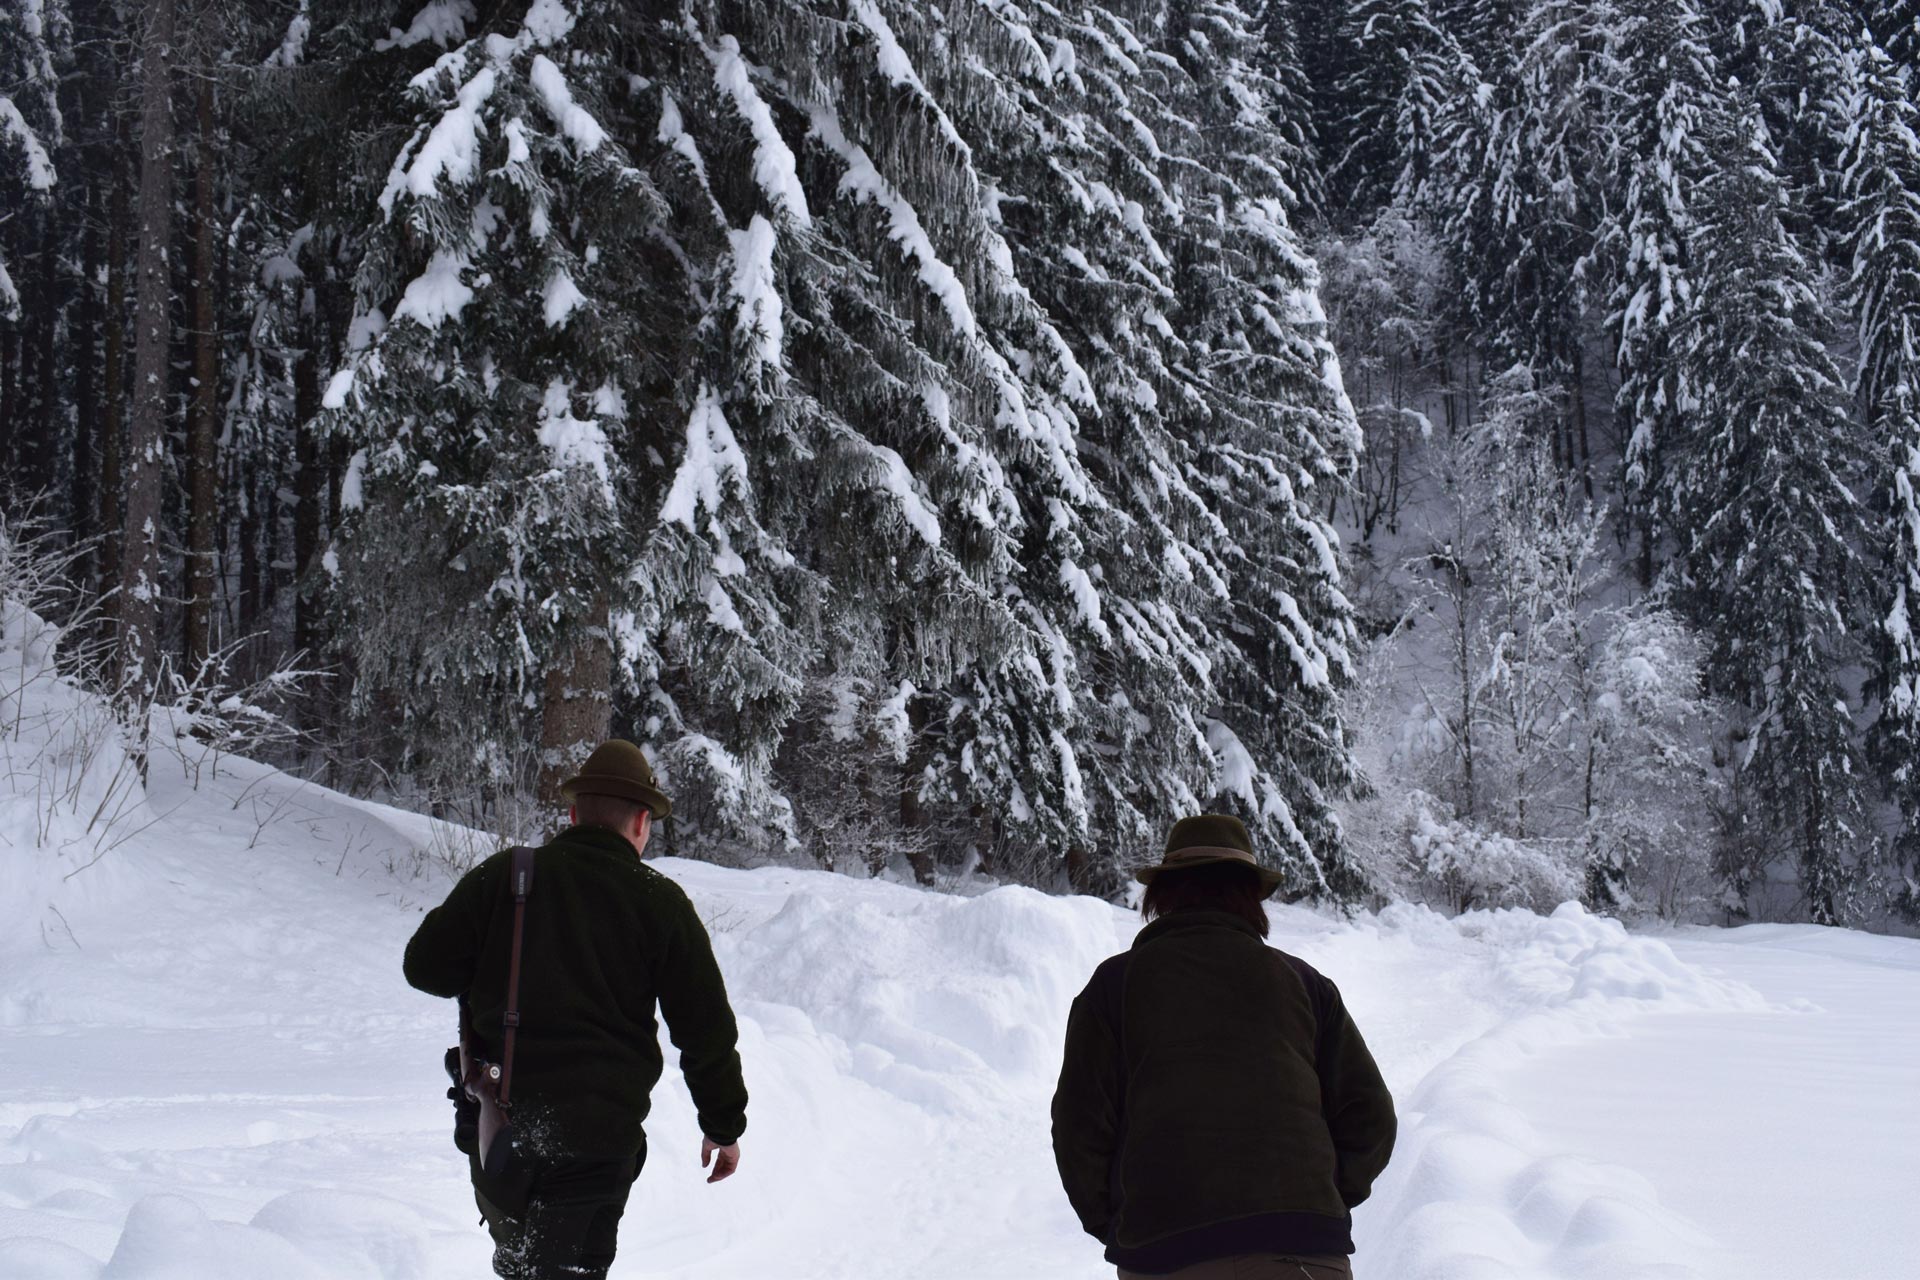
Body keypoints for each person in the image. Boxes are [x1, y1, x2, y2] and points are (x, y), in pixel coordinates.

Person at [404, 739, 747, 1280]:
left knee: (524, 1268)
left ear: (573, 814)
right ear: (640, 822)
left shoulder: (505, 878)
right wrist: (722, 1125)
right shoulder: (659, 902)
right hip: (598, 1144)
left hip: (504, 1130)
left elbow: (424, 968)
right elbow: (705, 1032)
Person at [1051, 814, 1397, 1280]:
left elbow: (1080, 1127)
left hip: (1164, 1252)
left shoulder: (1115, 986)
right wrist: (1320, 1195)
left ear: (1162, 895)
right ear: (1251, 898)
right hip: (1305, 1251)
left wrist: (1118, 1224)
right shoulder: (1306, 985)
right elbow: (1371, 1117)